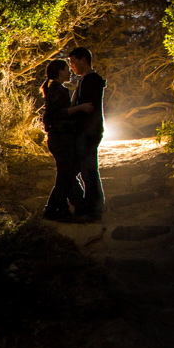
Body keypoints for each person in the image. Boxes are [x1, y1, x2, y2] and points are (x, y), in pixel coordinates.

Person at [40, 58, 84, 221]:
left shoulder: (55, 89)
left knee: (66, 174)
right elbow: (58, 113)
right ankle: (56, 209)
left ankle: (64, 207)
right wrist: (80, 108)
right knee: (66, 174)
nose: (69, 71)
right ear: (60, 71)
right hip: (60, 137)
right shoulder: (57, 89)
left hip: (58, 137)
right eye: (67, 69)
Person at [68, 47, 106, 222]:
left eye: (73, 62)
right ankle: (89, 206)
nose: (72, 67)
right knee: (85, 170)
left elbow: (88, 109)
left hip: (88, 132)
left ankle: (92, 210)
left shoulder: (92, 81)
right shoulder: (87, 80)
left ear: (83, 60)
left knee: (88, 170)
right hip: (87, 131)